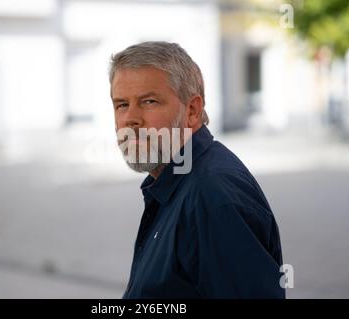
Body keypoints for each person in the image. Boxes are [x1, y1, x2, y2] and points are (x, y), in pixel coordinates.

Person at [109, 41, 285, 299]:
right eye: (121, 104)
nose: (130, 118)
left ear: (192, 110)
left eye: (149, 101)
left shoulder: (213, 196)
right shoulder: (173, 181)